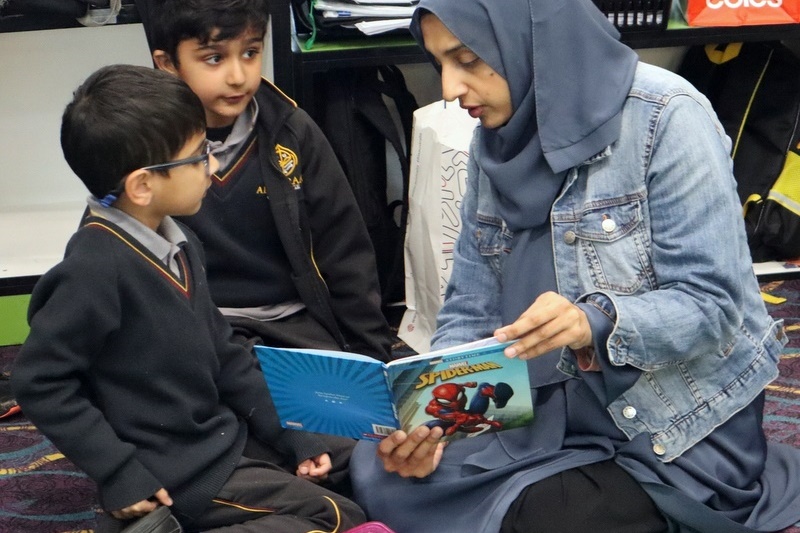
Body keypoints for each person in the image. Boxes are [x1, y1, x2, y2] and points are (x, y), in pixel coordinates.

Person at [348, 0, 800, 531]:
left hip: (669, 420)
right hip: (537, 407)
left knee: (549, 517)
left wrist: (595, 323)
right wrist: (435, 424)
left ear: (531, 39)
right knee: (375, 464)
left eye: (467, 59)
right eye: (439, 63)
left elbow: (713, 306)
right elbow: (470, 307)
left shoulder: (667, 116)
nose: (448, 88)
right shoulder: (494, 144)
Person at [11, 64, 367, 533]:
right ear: (142, 185)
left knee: (354, 451)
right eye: (199, 156)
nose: (213, 166)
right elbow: (40, 381)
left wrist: (292, 433)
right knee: (337, 516)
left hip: (222, 435)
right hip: (179, 472)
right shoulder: (95, 269)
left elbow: (225, 353)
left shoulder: (178, 242)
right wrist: (120, 473)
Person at [139, 0, 393, 361]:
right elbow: (115, 247)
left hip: (291, 323)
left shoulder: (292, 132)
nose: (238, 76)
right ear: (168, 65)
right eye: (214, 58)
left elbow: (345, 253)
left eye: (250, 53)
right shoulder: (143, 145)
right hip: (195, 325)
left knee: (327, 405)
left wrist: (372, 356)